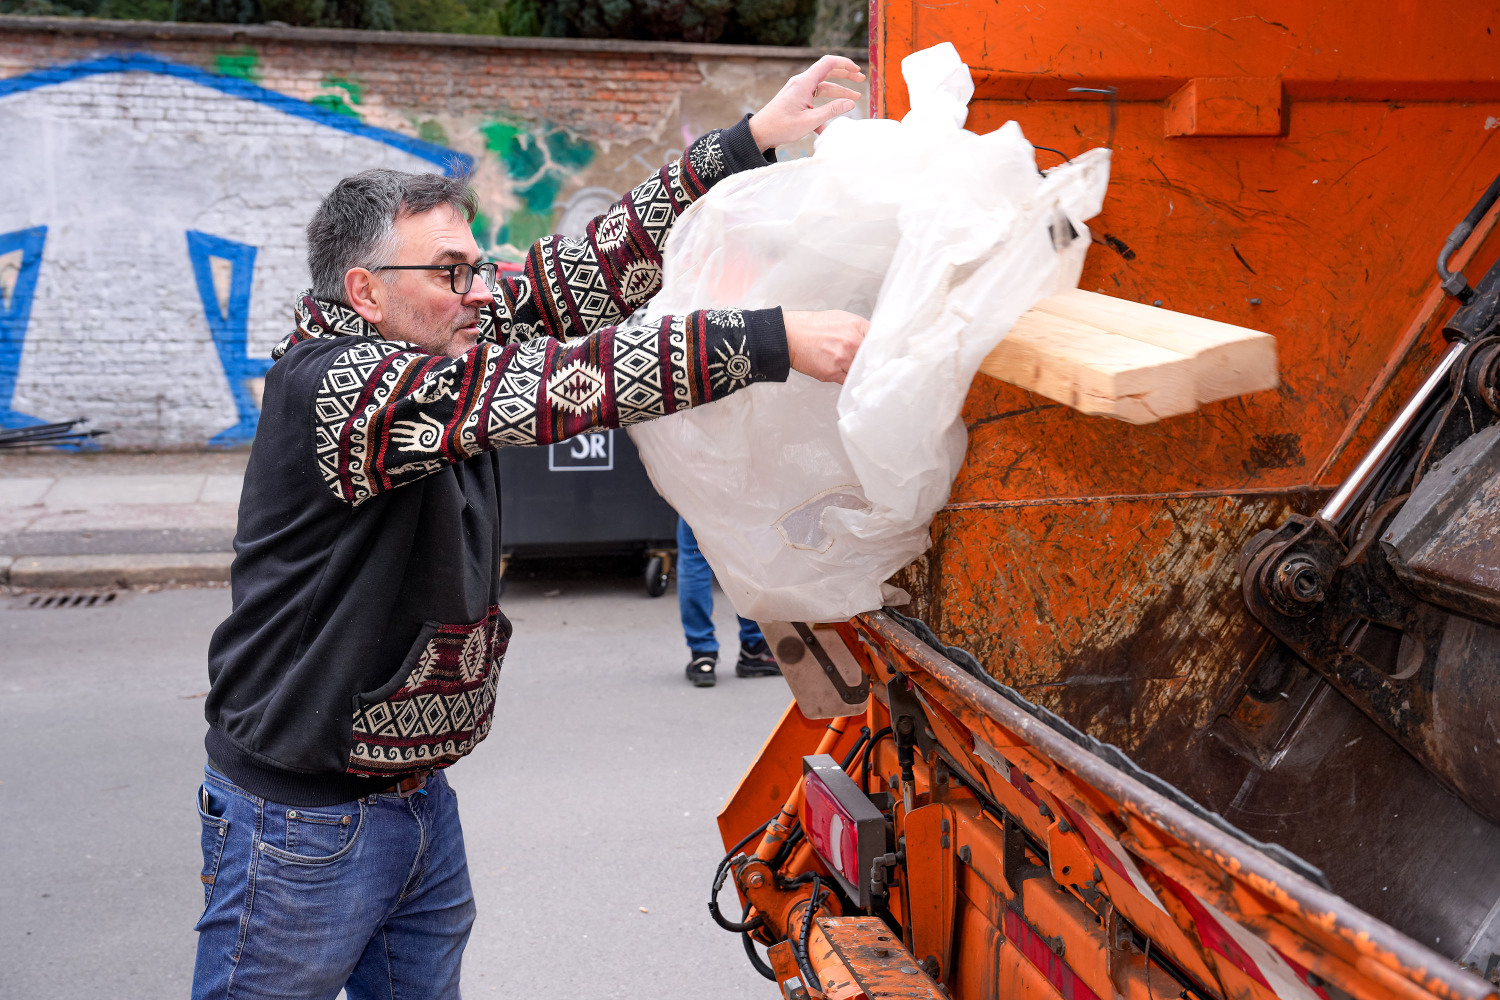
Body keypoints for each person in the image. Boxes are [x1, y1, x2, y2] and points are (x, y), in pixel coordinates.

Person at [192, 55, 868, 999]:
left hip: (414, 802)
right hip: (303, 826)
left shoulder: (435, 324)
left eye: (476, 268)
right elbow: (533, 387)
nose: (481, 290)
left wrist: (745, 143)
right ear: (364, 293)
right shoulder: (342, 386)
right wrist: (768, 338)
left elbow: (573, 280)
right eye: (452, 271)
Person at [678, 516, 780, 686]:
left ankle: (703, 656)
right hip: (740, 491)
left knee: (694, 556)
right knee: (746, 554)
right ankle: (753, 649)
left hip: (699, 489)